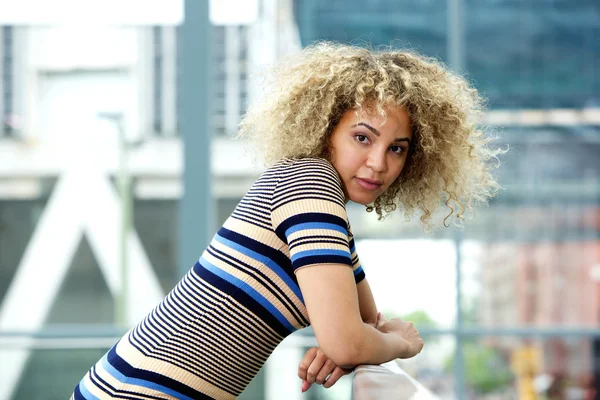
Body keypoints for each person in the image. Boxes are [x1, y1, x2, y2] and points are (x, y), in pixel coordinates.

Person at [71, 41, 501, 400]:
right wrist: (400, 344)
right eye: (362, 137)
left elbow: (362, 326)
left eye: (397, 148)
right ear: (325, 128)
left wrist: (353, 344)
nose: (378, 163)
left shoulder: (323, 211)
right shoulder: (308, 186)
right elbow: (354, 337)